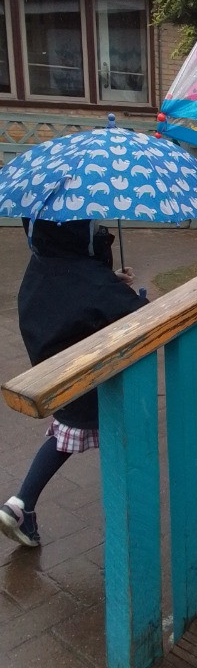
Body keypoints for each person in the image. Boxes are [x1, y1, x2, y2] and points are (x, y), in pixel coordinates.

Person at [0, 218, 147, 548]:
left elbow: (73, 297)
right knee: (122, 437)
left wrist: (108, 279)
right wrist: (124, 292)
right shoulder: (91, 279)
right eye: (91, 227)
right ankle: (128, 524)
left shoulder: (44, 262)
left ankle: (20, 504)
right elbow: (139, 315)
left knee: (63, 437)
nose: (96, 231)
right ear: (76, 233)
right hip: (90, 382)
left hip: (57, 376)